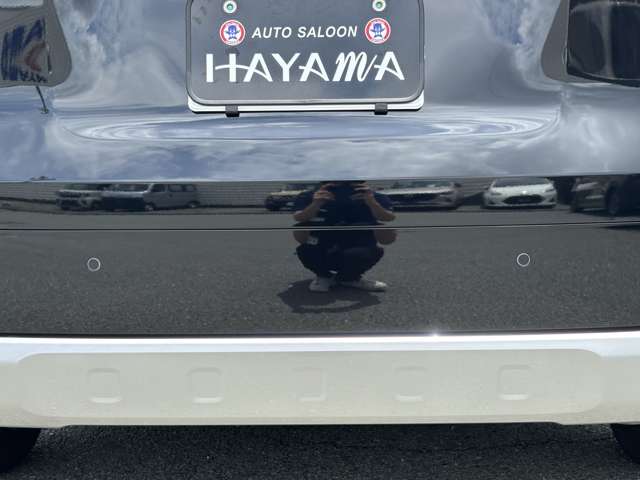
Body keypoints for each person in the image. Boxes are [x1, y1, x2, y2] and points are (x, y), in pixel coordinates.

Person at [293, 181, 396, 293]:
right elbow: (299, 218)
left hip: (356, 243)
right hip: (321, 243)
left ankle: (350, 278)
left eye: (350, 181)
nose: (342, 186)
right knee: (305, 248)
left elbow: (388, 218)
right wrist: (316, 203)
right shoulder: (310, 195)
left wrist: (371, 202)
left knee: (372, 248)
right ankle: (324, 276)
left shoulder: (372, 195)